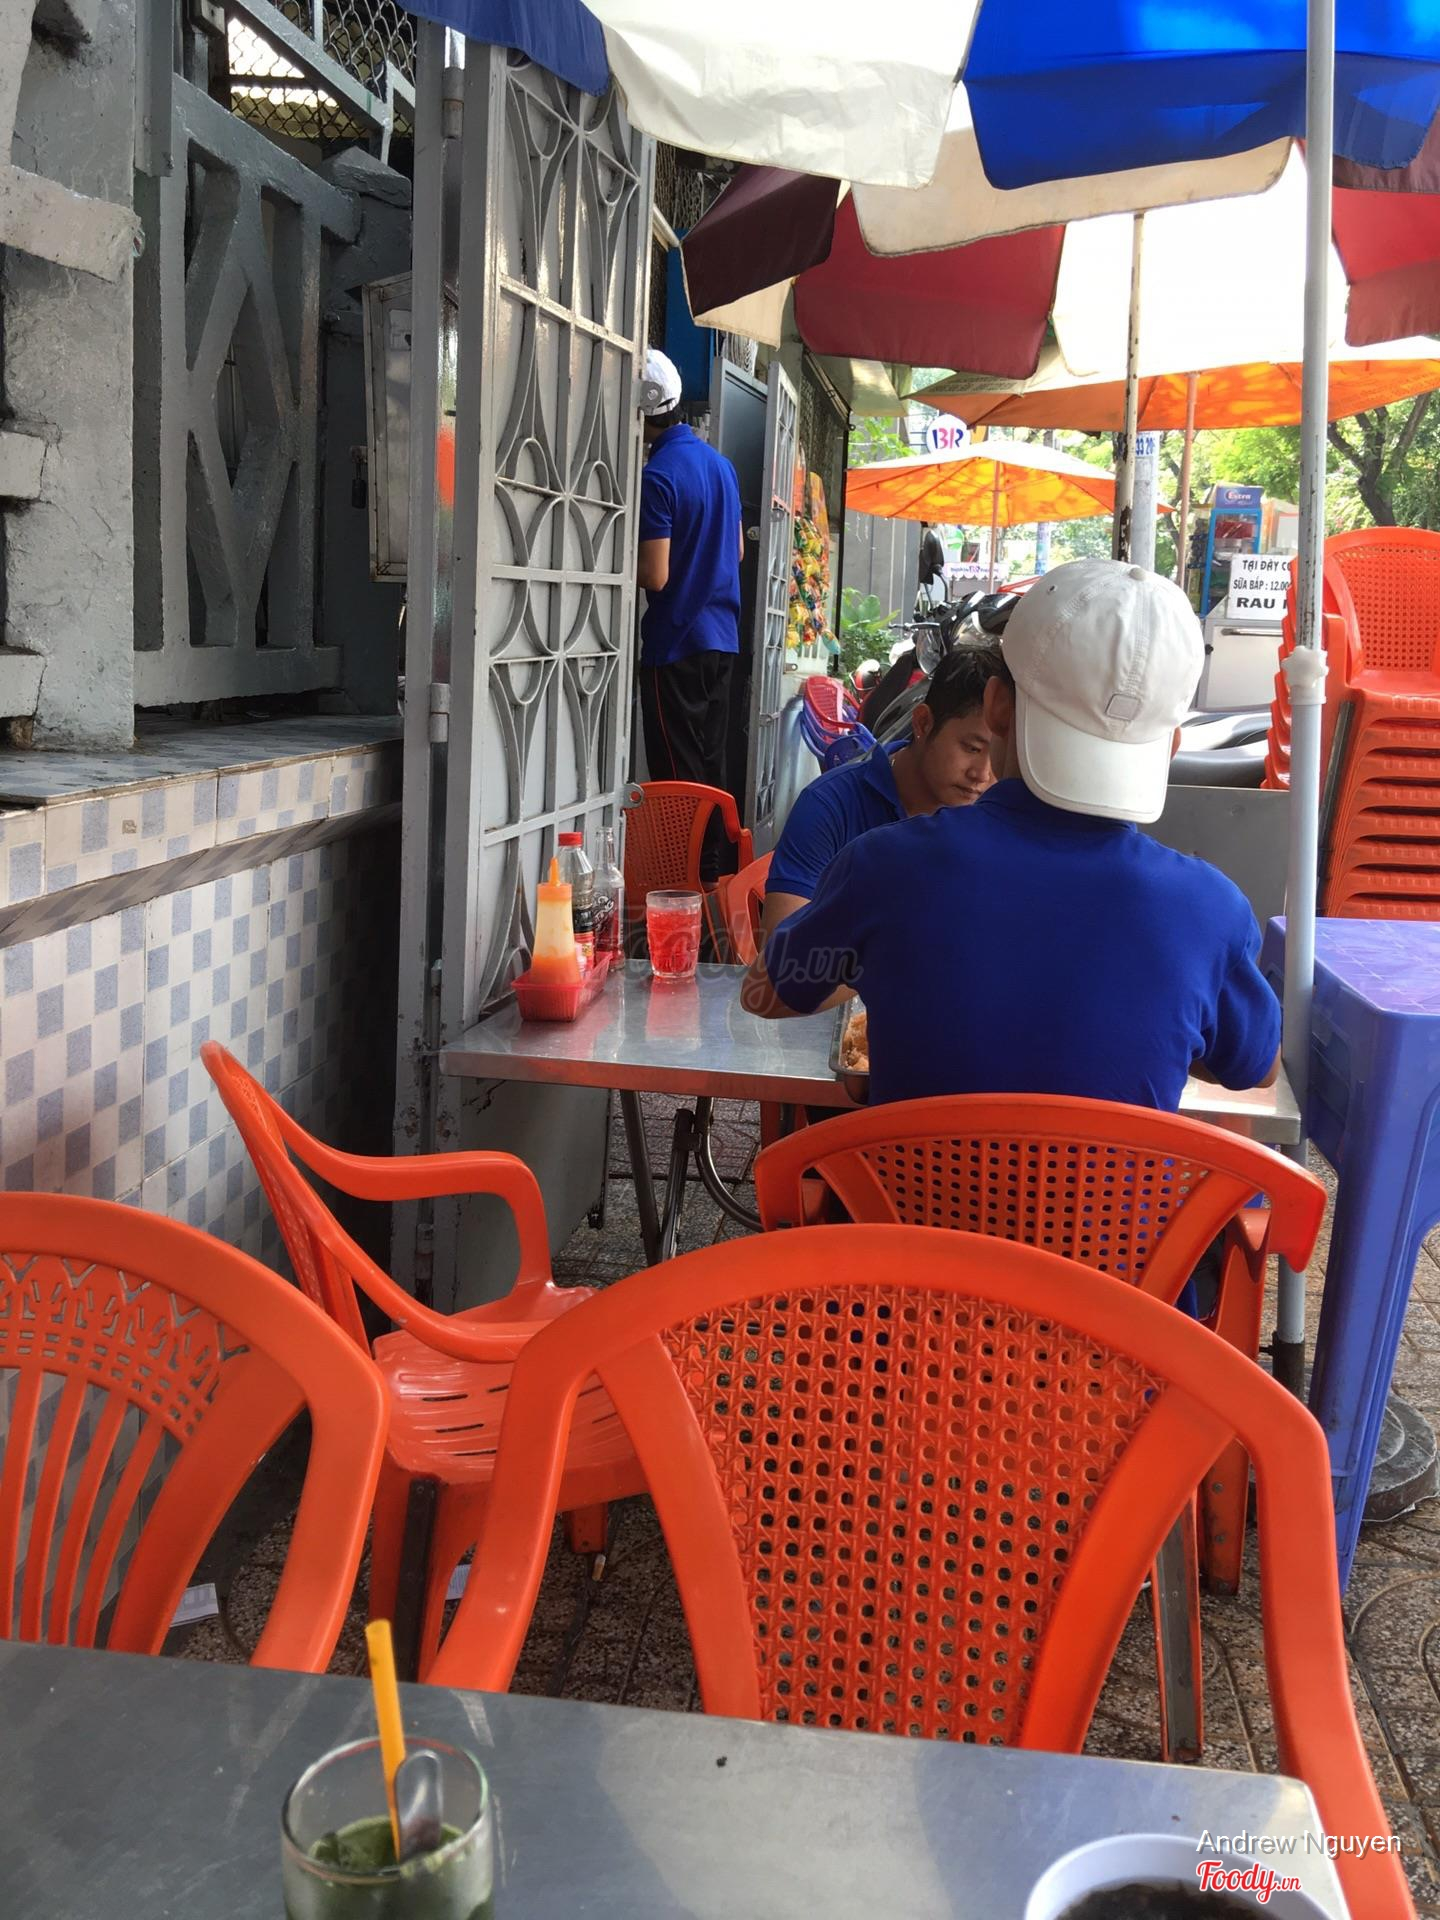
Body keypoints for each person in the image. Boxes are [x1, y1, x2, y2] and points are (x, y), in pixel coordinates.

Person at [743, 558, 1281, 1110]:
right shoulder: (1211, 909)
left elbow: (763, 993)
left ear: (997, 706)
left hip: (913, 1171)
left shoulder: (883, 867)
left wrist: (878, 957)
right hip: (1116, 1174)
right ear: (1169, 747)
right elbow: (1258, 1069)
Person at [762, 644, 1003, 940]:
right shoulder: (830, 805)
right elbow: (780, 952)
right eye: (972, 748)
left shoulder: (997, 817)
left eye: (999, 754)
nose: (983, 774)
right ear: (923, 723)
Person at [635, 349, 744, 860]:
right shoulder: (721, 466)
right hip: (722, 640)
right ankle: (715, 877)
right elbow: (737, 550)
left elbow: (656, 575)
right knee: (710, 765)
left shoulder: (657, 476)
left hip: (675, 644)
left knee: (677, 776)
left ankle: (684, 883)